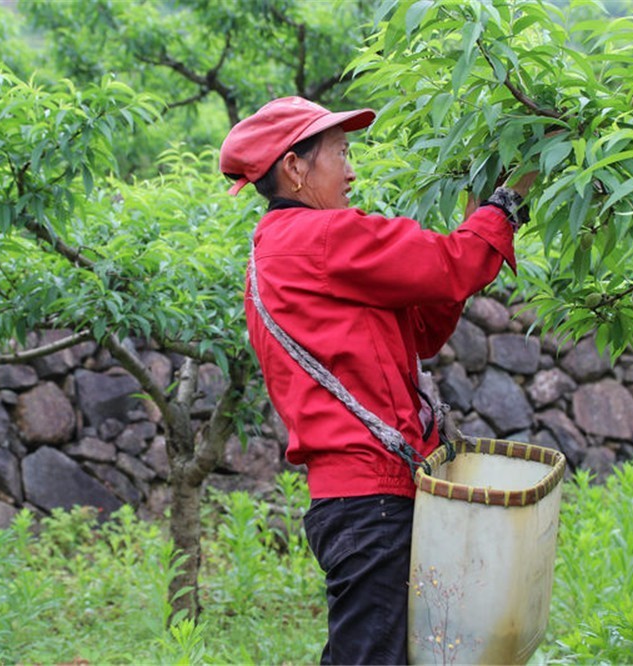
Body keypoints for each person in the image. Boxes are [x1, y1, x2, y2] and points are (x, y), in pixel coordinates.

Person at [220, 96, 535, 665]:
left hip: (365, 499)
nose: (351, 170)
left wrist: (471, 230)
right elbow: (449, 265)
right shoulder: (318, 238)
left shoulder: (283, 248)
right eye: (340, 153)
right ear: (294, 167)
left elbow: (421, 330)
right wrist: (506, 204)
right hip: (373, 501)